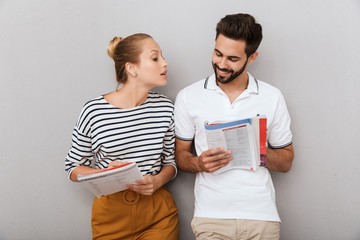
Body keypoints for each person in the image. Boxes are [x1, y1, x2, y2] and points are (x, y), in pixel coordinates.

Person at [174, 13, 294, 240]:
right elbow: (180, 155)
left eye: (232, 59)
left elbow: (286, 161)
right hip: (210, 217)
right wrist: (198, 162)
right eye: (218, 53)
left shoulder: (272, 97)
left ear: (252, 57)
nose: (221, 64)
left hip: (262, 216)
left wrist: (257, 152)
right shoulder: (188, 97)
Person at [65, 33, 179, 240]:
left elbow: (170, 163)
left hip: (158, 214)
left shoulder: (166, 108)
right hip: (110, 216)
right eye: (155, 58)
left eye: (162, 57)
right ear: (131, 68)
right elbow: (72, 168)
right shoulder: (94, 111)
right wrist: (103, 175)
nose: (165, 63)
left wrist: (158, 181)